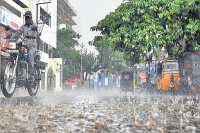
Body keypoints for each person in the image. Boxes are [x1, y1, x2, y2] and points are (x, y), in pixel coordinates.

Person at [18, 11, 37, 80]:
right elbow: (19, 31)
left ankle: (31, 74)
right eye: (26, 17)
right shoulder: (23, 26)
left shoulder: (34, 25)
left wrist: (32, 35)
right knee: (20, 55)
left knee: (30, 53)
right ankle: (21, 73)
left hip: (33, 47)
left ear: (31, 17)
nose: (27, 19)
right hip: (25, 46)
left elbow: (35, 34)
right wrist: (17, 33)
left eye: (28, 17)